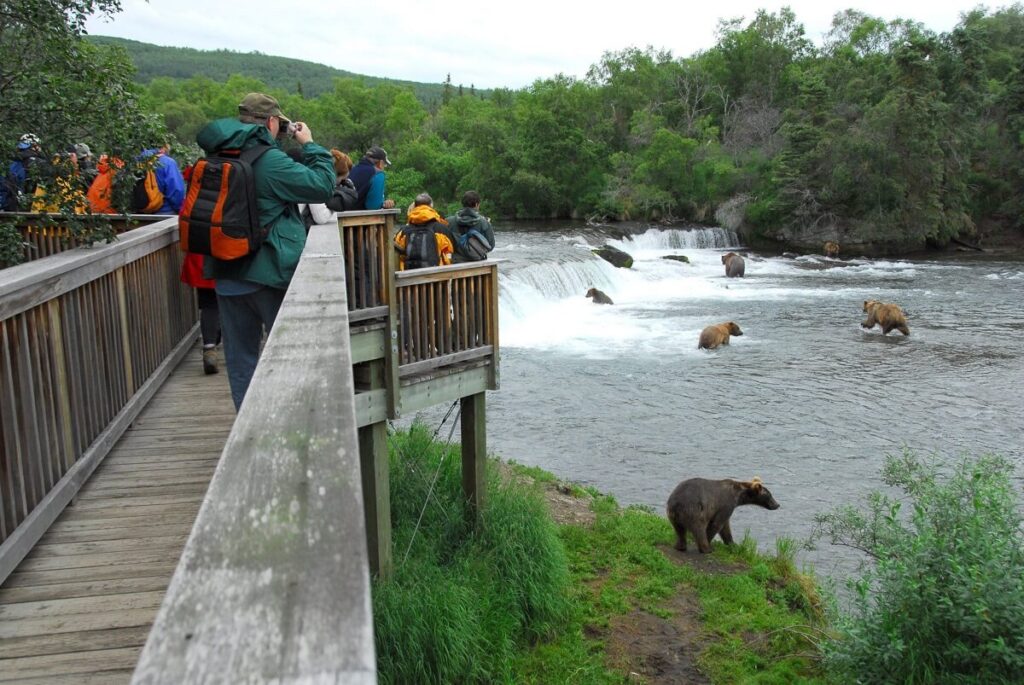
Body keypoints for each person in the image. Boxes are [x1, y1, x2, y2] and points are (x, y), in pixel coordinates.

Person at [200, 92, 334, 410]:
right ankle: (287, 424)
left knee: (241, 360)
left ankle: (247, 431)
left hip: (226, 270)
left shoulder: (217, 157)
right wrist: (310, 144)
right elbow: (322, 186)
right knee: (288, 355)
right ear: (272, 122)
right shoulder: (270, 161)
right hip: (269, 274)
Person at [394, 192, 453, 270]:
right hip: (436, 277)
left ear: (414, 206)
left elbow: (397, 254)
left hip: (410, 277)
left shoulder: (403, 231)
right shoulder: (442, 229)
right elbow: (450, 253)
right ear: (431, 206)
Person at [444, 190, 496, 263]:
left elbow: (444, 245)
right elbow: (490, 246)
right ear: (477, 204)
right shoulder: (484, 222)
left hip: (455, 264)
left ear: (462, 204)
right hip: (478, 264)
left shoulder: (448, 222)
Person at [2, 133, 47, 211]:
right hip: (31, 207)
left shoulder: (9, 162)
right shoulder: (40, 163)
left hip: (9, 206)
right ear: (34, 146)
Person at [138, 144, 185, 214]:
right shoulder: (168, 163)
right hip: (164, 212)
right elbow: (177, 191)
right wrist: (179, 209)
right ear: (164, 147)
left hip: (139, 212)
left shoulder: (134, 161)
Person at [349, 146, 395, 210]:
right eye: (384, 164)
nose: (384, 168)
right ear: (381, 162)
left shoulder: (352, 170)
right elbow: (373, 206)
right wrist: (383, 205)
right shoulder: (378, 174)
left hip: (341, 215)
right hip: (359, 217)